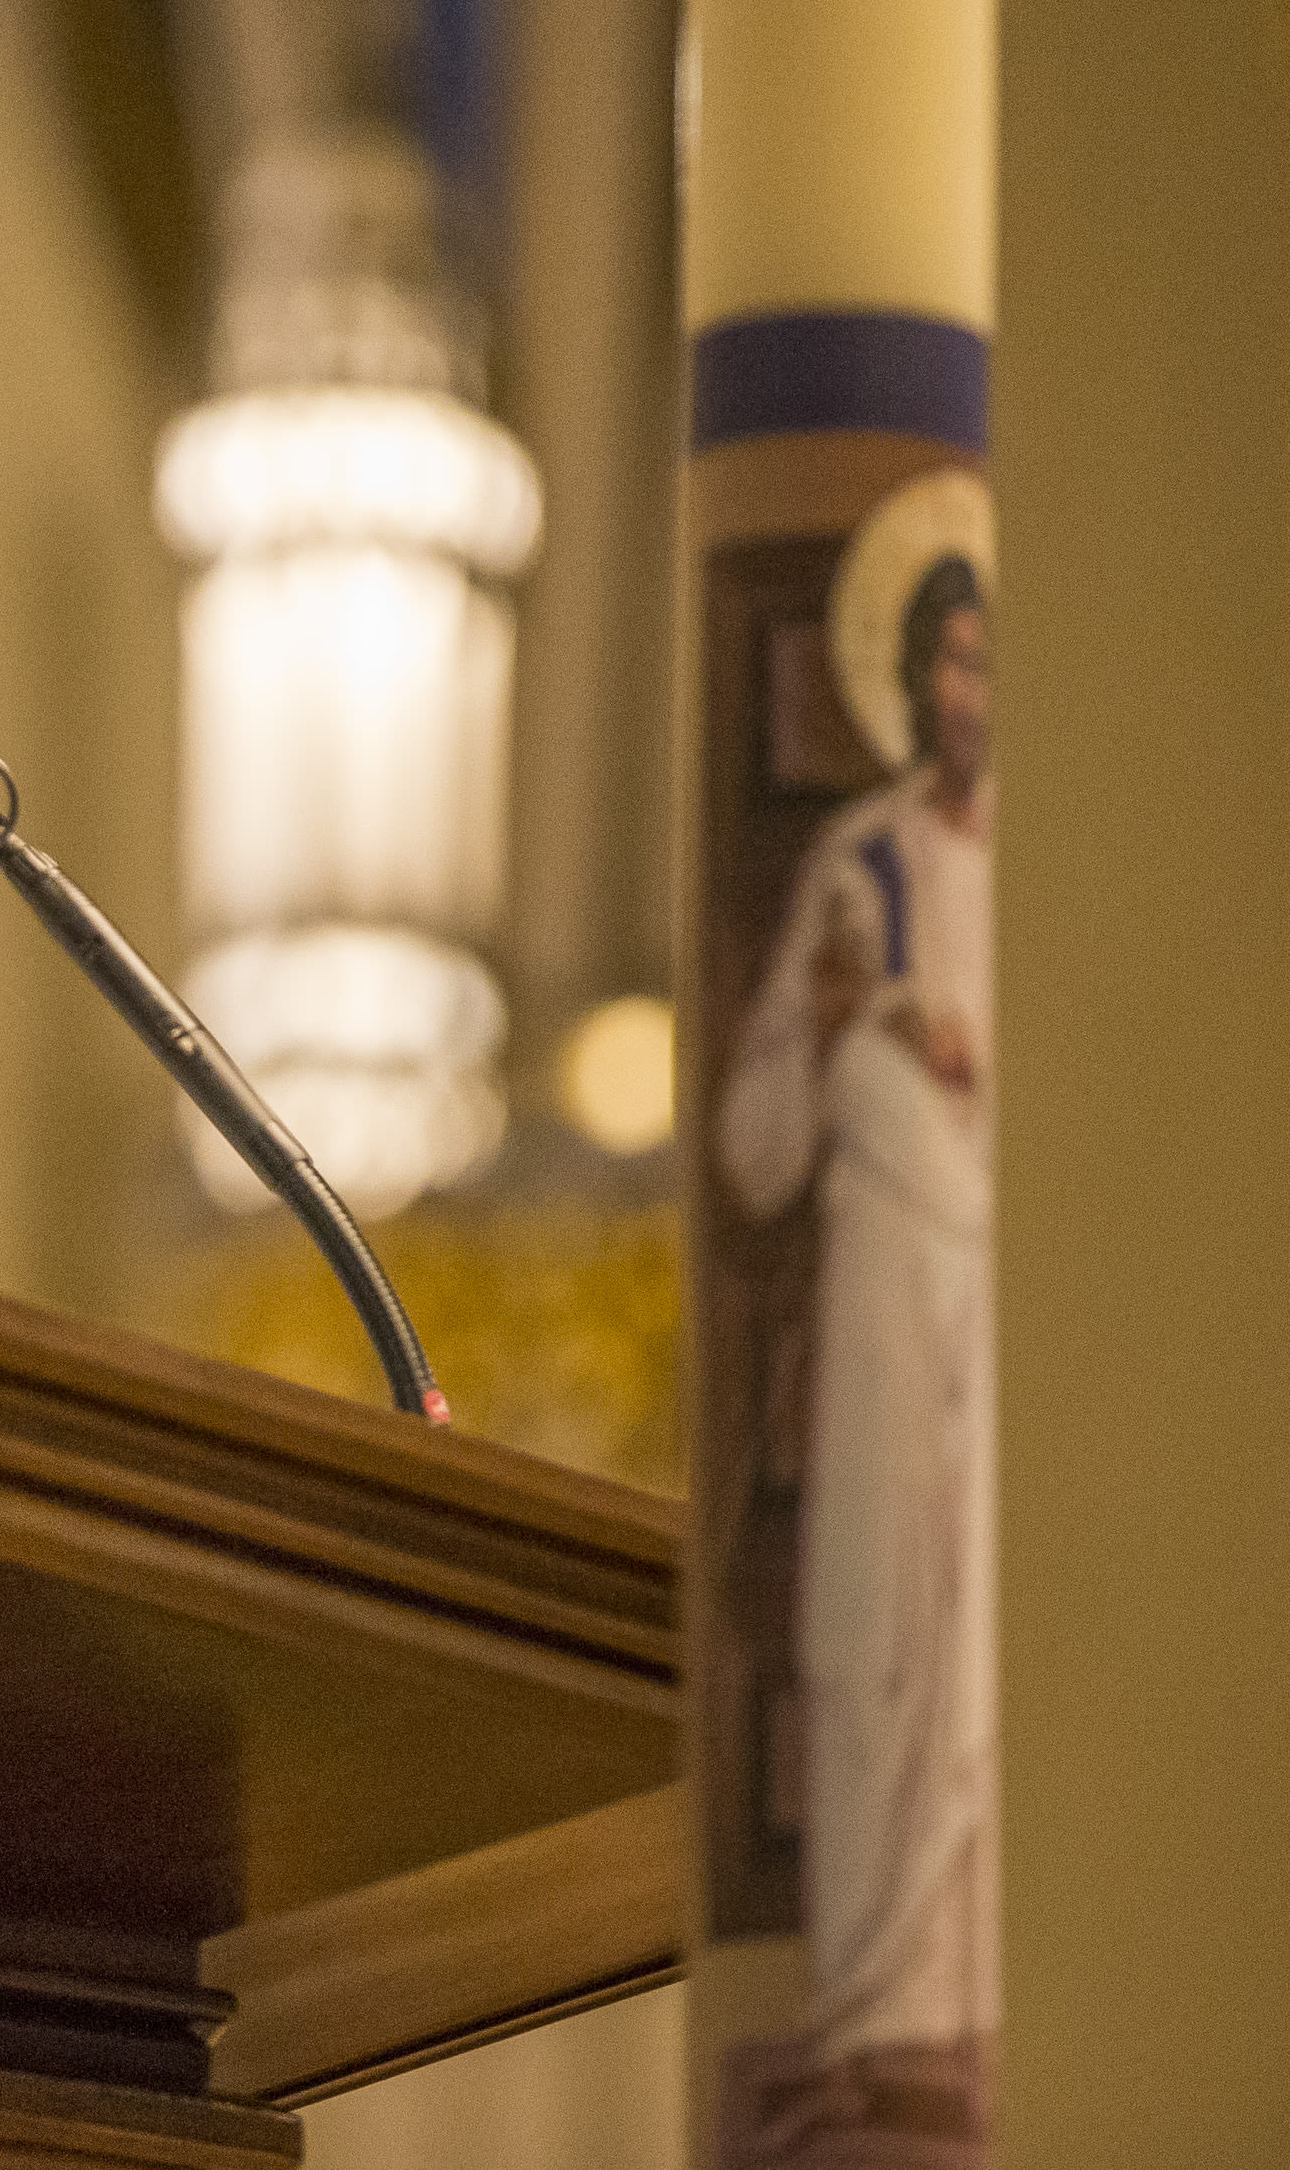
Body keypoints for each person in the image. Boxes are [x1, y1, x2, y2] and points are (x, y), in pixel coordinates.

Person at [716, 467, 997, 2131]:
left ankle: (965, 2017)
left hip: (1010, 1309)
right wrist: (835, 1032)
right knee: (878, 1622)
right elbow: (754, 1154)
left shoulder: (1059, 863)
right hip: (891, 1295)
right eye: (948, 662)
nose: (971, 695)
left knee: (990, 1639)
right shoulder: (857, 863)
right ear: (915, 680)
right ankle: (866, 2009)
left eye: (994, 662)